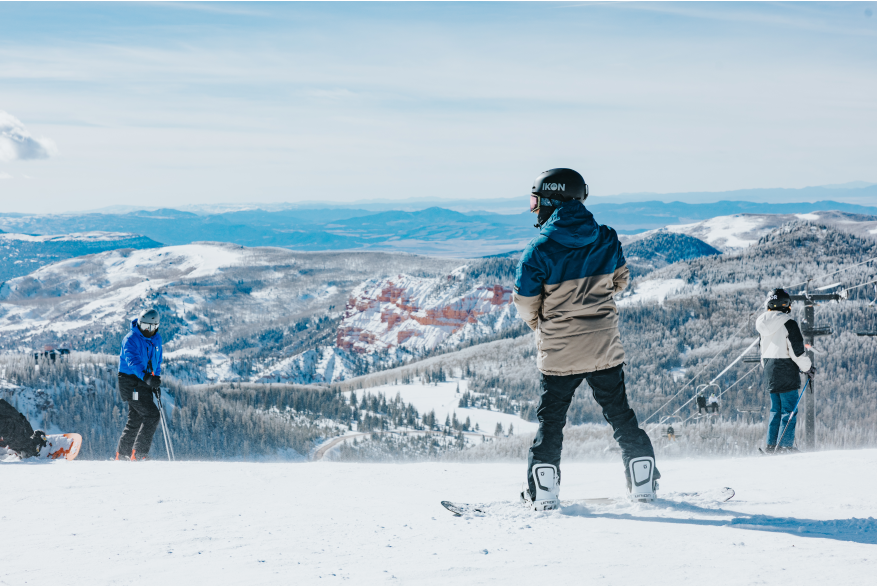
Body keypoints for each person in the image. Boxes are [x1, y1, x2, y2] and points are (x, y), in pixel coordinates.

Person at [514, 168, 659, 510]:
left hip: (560, 352)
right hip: (604, 347)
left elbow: (524, 303)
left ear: (552, 200)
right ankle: (643, 482)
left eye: (536, 202)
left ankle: (544, 492)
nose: (534, 209)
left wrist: (542, 323)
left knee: (551, 422)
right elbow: (620, 281)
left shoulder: (539, 250)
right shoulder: (607, 238)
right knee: (621, 416)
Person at [755, 288, 814, 452]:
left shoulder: (762, 325)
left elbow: (762, 351)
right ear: (786, 305)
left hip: (769, 371)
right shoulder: (789, 324)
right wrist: (807, 368)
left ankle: (771, 445)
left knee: (776, 410)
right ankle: (785, 447)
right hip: (786, 370)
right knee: (789, 410)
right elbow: (797, 352)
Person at [116, 308, 163, 461]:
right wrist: (146, 377)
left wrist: (155, 380)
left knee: (135, 418)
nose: (147, 330)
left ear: (156, 326)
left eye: (151, 327)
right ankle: (140, 454)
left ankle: (122, 454)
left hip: (144, 381)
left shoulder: (156, 339)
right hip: (131, 383)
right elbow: (132, 361)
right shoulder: (130, 339)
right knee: (152, 415)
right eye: (144, 327)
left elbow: (157, 361)